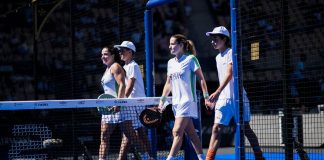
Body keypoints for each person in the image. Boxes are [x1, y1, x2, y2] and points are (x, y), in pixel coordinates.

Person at [205, 26, 265, 160]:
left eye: (215, 39)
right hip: (223, 99)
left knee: (246, 129)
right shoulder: (217, 57)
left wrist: (217, 92)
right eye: (212, 39)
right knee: (216, 129)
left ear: (224, 39)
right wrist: (219, 95)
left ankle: (260, 157)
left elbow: (229, 74)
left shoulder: (232, 52)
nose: (212, 41)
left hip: (238, 98)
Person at [158, 34, 209, 160]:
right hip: (176, 103)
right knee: (191, 133)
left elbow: (201, 79)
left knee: (176, 132)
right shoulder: (170, 63)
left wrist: (206, 97)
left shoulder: (191, 59)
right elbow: (168, 84)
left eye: (172, 43)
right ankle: (202, 158)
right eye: (169, 44)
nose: (170, 46)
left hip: (188, 101)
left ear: (181, 45)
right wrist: (162, 101)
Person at [114, 41, 152, 159]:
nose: (120, 52)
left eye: (123, 50)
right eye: (119, 50)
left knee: (135, 132)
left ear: (130, 52)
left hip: (137, 103)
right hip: (130, 103)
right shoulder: (124, 67)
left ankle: (149, 156)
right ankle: (149, 156)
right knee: (131, 132)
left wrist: (121, 101)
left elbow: (130, 85)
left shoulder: (134, 66)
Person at [98, 46, 126, 160]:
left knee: (131, 136)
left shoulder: (115, 66)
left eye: (105, 54)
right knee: (104, 136)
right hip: (108, 109)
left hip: (119, 108)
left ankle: (147, 157)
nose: (103, 57)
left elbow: (122, 85)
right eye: (102, 54)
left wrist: (118, 103)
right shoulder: (107, 69)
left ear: (113, 55)